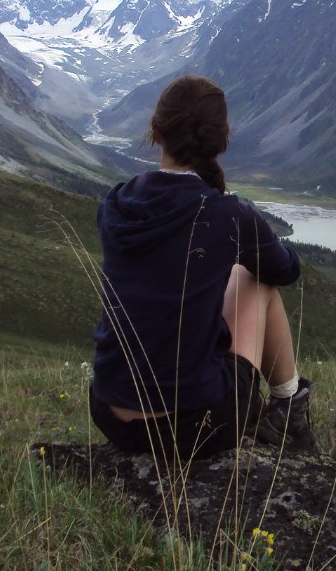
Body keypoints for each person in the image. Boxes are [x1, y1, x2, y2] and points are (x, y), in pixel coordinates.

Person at [89, 74, 318, 463]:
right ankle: (288, 408)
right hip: (194, 426)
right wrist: (247, 235)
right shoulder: (227, 214)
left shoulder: (116, 204)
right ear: (222, 138)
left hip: (110, 413)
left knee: (228, 275)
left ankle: (283, 406)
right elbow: (285, 270)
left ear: (156, 132)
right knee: (253, 277)